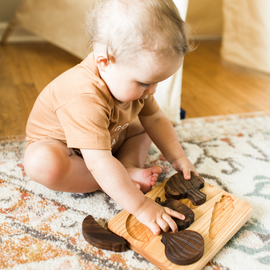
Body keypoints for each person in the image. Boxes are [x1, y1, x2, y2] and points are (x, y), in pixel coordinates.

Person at [24, 0, 198, 236]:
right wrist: (142, 206)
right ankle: (120, 177)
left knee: (145, 126)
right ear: (104, 62)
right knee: (42, 163)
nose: (152, 90)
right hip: (70, 153)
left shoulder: (130, 80)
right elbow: (98, 162)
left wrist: (178, 157)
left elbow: (155, 119)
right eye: (145, 82)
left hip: (107, 140)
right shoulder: (84, 96)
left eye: (158, 82)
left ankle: (125, 167)